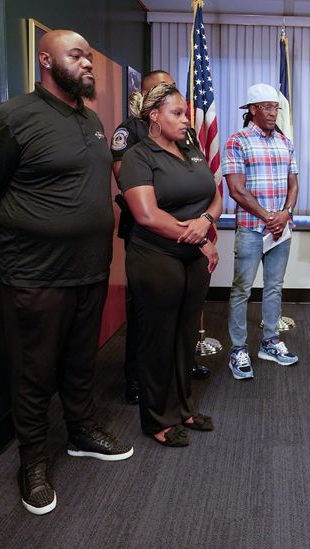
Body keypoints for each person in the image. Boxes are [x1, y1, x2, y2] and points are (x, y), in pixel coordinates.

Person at [0, 30, 133, 516]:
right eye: (75, 55)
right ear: (45, 59)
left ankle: (80, 432)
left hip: (89, 269)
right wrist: (27, 234)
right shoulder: (13, 118)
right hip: (34, 274)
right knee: (34, 373)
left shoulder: (93, 120)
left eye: (87, 56)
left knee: (81, 363)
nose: (86, 63)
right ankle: (33, 462)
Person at [119, 82, 221, 447]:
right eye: (177, 113)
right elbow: (146, 215)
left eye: (187, 113)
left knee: (184, 335)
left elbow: (215, 196)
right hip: (155, 256)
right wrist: (200, 238)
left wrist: (206, 224)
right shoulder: (138, 156)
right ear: (154, 117)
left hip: (193, 257)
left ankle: (184, 408)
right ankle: (158, 419)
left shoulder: (191, 148)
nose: (185, 119)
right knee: (157, 339)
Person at [222, 83, 299, 380]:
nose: (272, 113)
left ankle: (270, 342)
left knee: (274, 287)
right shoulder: (237, 141)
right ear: (252, 110)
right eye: (266, 107)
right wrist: (269, 216)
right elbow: (236, 191)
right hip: (253, 229)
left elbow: (293, 184)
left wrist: (285, 214)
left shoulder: (285, 142)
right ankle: (238, 349)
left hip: (280, 230)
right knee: (242, 289)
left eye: (275, 107)